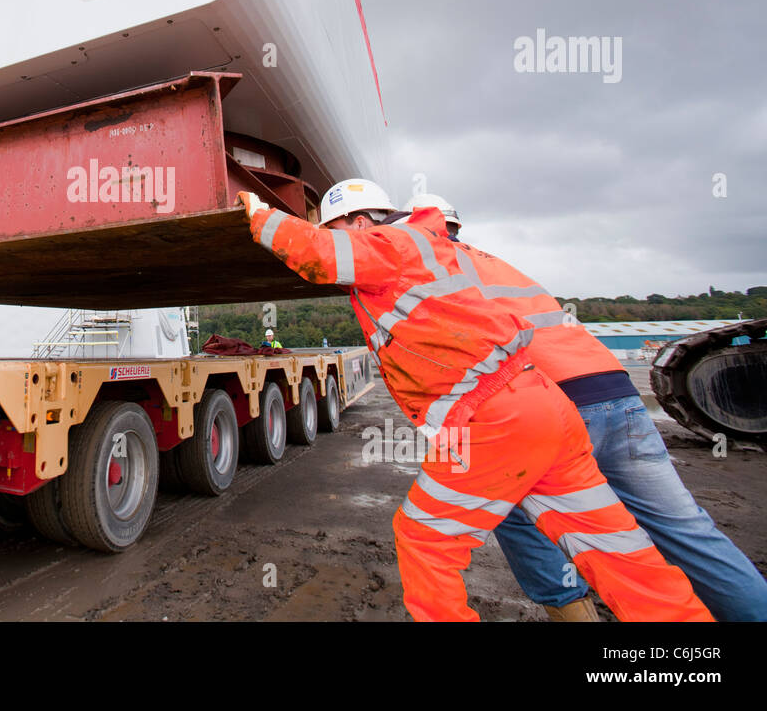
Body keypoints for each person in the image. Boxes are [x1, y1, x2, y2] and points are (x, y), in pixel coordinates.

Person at [239, 179, 712, 621]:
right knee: (614, 547)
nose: (336, 236)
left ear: (361, 222)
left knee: (423, 538)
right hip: (541, 407)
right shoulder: (421, 251)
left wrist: (262, 216)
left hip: (495, 418)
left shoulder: (392, 244)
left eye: (336, 226)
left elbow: (319, 256)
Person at [394, 197, 767, 622]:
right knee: (685, 528)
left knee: (514, 514)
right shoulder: (499, 264)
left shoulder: (433, 270)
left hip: (545, 403)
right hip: (616, 393)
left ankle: (572, 611)